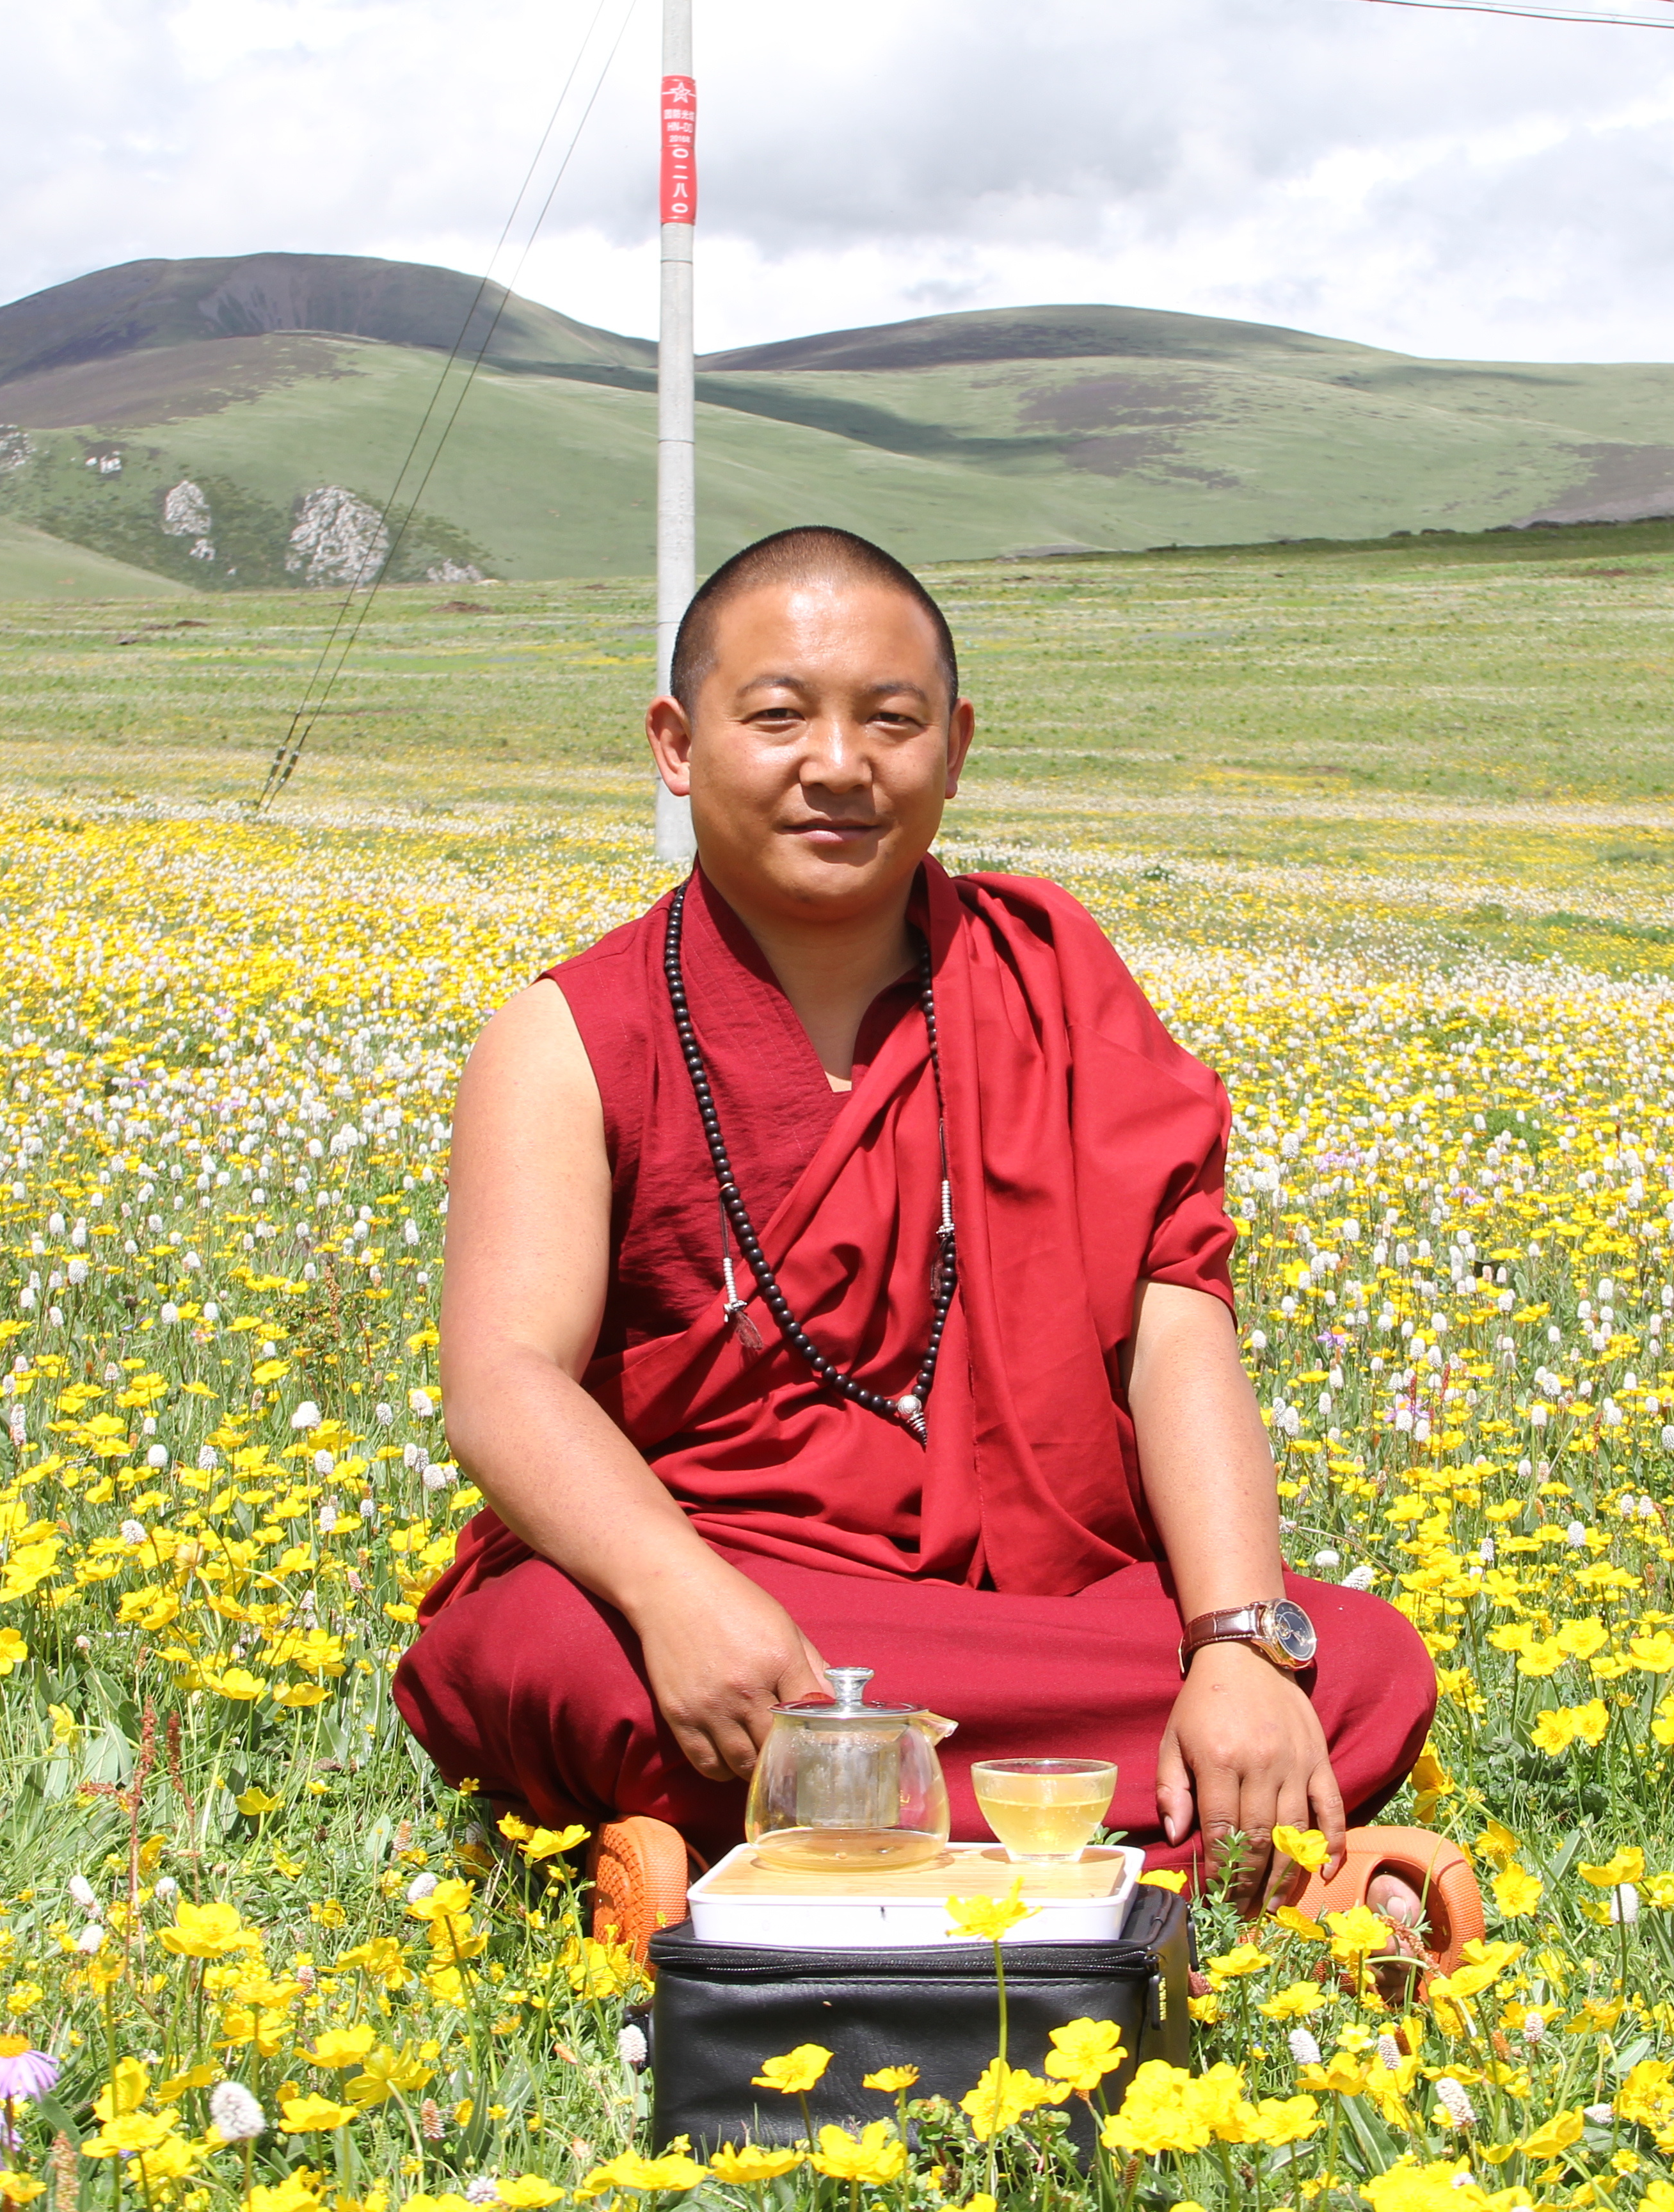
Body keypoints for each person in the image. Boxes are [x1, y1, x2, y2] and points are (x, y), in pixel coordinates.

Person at [392, 526, 1466, 1953]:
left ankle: (740, 1872)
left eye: (889, 720)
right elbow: (505, 1382)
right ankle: (1207, 1870)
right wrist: (676, 1595)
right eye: (777, 714)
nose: (838, 764)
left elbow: (1173, 1315)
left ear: (953, 749)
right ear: (675, 741)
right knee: (536, 1653)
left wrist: (1237, 1647)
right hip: (735, 1600)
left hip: (1029, 1604)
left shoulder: (1050, 982)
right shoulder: (573, 1037)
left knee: (1360, 1655)